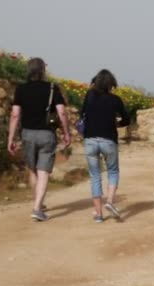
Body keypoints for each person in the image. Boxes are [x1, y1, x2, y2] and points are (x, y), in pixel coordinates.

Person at [7, 57, 71, 222]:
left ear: (28, 70)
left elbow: (15, 115)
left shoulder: (21, 89)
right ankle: (37, 207)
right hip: (47, 135)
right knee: (43, 172)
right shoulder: (52, 88)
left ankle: (38, 204)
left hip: (27, 134)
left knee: (33, 170)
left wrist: (11, 138)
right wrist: (66, 132)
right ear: (43, 70)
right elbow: (62, 112)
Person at [82, 69, 130, 223]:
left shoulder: (89, 96)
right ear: (111, 84)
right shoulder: (115, 99)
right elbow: (126, 120)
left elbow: (83, 114)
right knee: (113, 171)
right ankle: (109, 201)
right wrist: (117, 122)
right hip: (108, 140)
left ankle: (98, 214)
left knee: (95, 176)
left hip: (90, 139)